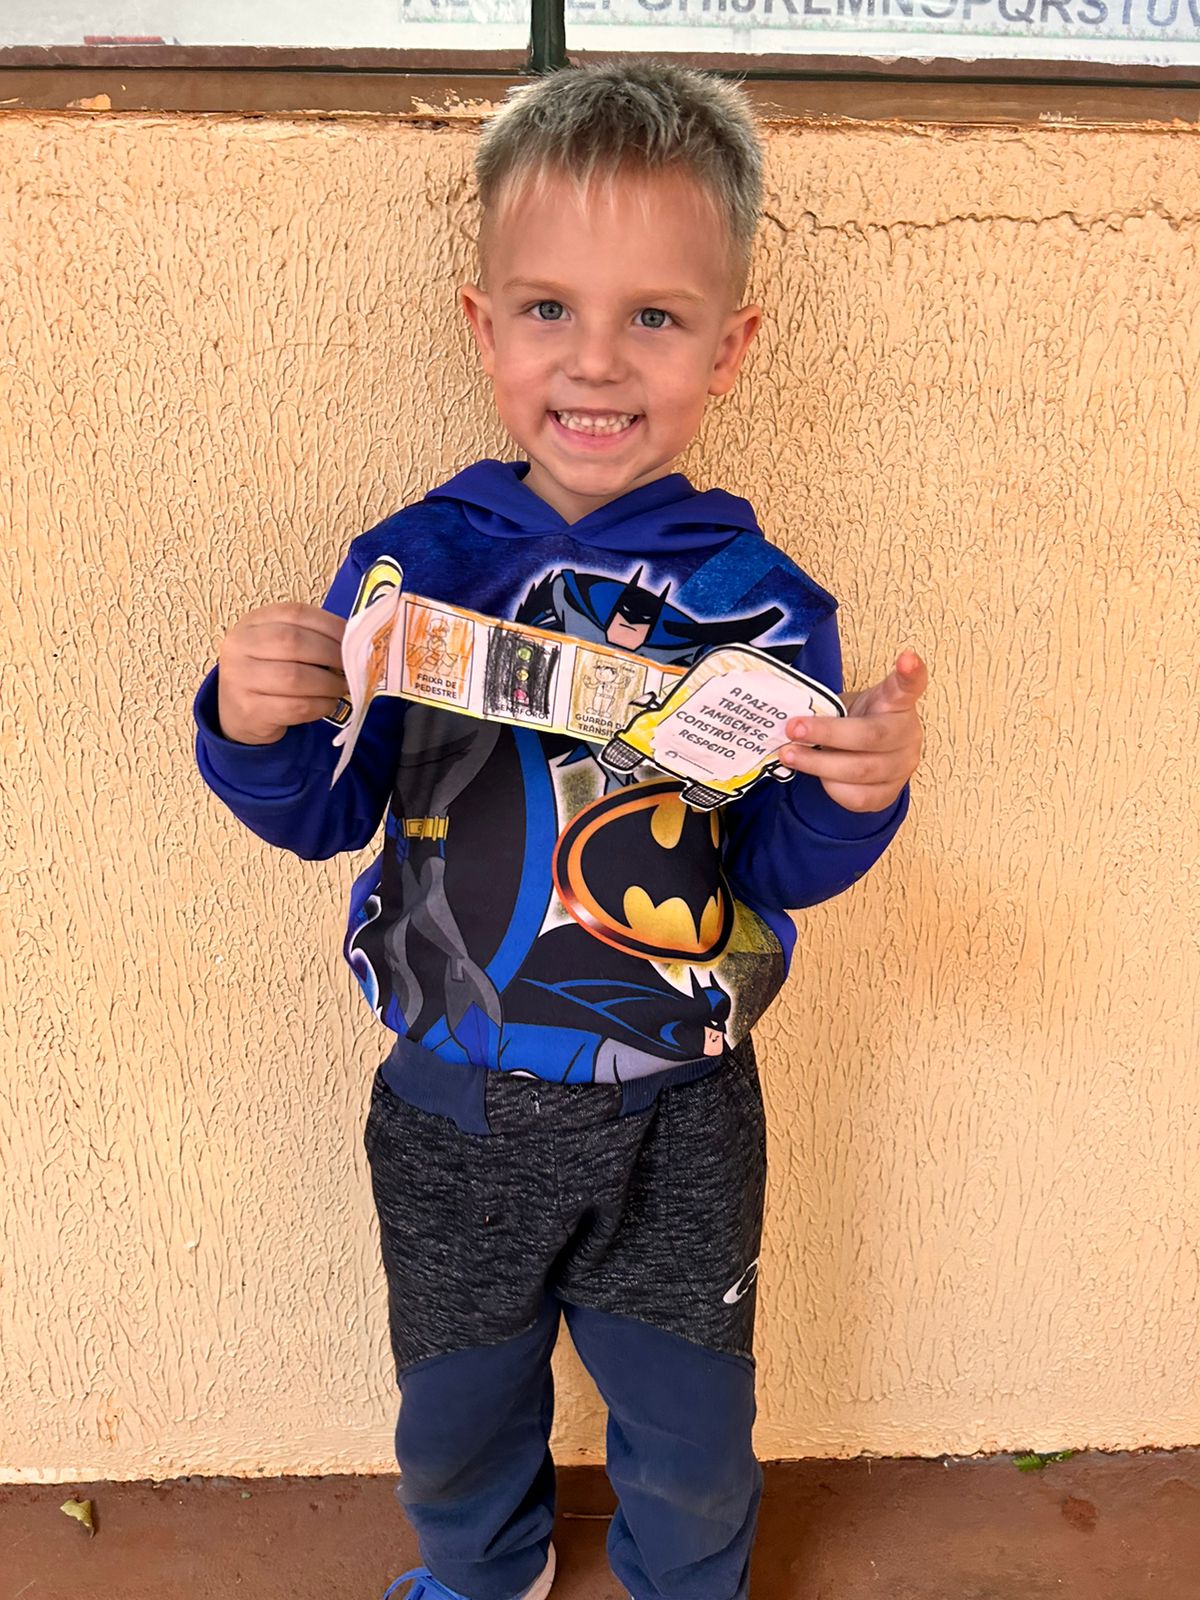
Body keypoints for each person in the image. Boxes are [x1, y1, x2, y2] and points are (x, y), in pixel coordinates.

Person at [194, 59, 926, 1600]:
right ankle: (484, 1575)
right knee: (454, 1415)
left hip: (684, 1112)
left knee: (692, 1426)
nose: (595, 360)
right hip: (449, 1100)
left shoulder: (764, 605)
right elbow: (325, 812)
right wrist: (253, 725)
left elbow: (770, 868)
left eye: (653, 315)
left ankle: (688, 1585)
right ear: (482, 326)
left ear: (730, 347)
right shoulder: (413, 564)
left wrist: (853, 799)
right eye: (548, 309)